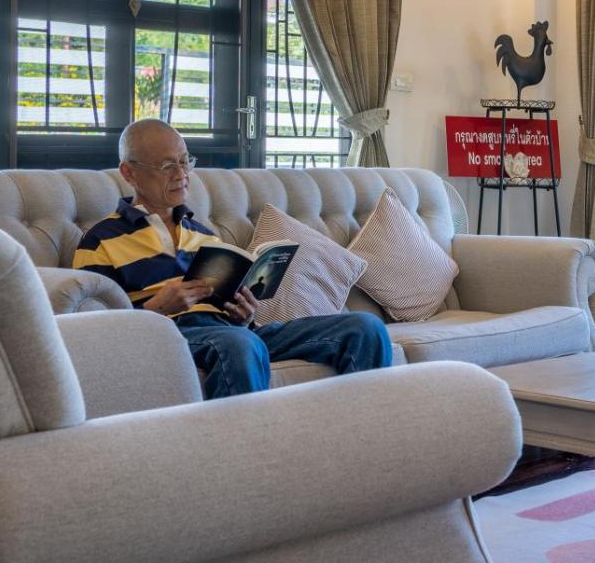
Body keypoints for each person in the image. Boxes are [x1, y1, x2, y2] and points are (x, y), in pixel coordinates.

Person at [73, 118, 393, 398]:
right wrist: (157, 309)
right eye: (167, 165)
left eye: (185, 161)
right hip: (172, 335)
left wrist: (244, 315)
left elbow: (236, 319)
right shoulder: (101, 240)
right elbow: (96, 331)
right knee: (239, 344)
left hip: (230, 331)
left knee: (364, 327)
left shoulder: (204, 234)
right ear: (129, 172)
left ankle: (364, 437)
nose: (181, 174)